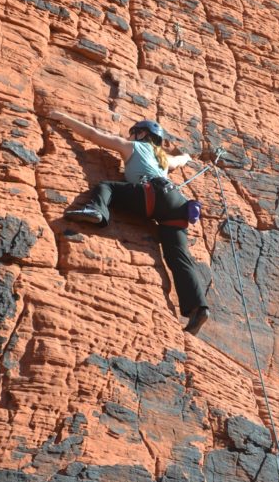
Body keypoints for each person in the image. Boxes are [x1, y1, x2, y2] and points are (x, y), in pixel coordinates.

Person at [50, 109, 209, 334]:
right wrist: (188, 157)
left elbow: (93, 135)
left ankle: (97, 211)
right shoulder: (165, 159)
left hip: (150, 196)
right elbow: (181, 161)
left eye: (134, 133)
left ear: (141, 134)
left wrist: (64, 118)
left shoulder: (132, 146)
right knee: (179, 258)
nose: (131, 136)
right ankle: (198, 308)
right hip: (176, 205)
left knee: (106, 187)